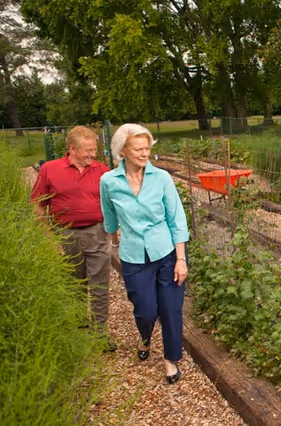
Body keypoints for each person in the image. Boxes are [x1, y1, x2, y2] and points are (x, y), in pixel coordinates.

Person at [100, 123, 189, 384]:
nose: (144, 153)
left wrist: (181, 259)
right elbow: (109, 214)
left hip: (167, 253)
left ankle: (170, 361)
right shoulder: (108, 182)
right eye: (138, 149)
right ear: (122, 151)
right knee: (146, 310)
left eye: (147, 148)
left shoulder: (161, 178)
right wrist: (112, 234)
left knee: (171, 309)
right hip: (133, 256)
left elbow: (176, 219)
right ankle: (145, 336)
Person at [30, 125, 115, 351]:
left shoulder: (102, 171)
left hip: (97, 232)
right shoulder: (50, 169)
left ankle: (100, 334)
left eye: (94, 149)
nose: (92, 154)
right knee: (74, 284)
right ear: (72, 149)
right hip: (64, 234)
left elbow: (116, 201)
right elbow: (37, 205)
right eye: (87, 150)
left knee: (99, 284)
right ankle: (78, 327)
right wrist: (50, 238)